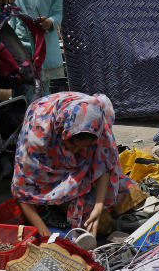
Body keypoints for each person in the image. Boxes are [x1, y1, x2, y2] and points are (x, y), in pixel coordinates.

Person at [11, 92, 136, 238]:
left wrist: (98, 206)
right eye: (72, 144)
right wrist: (43, 230)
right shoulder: (37, 138)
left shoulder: (96, 126)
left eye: (83, 148)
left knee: (131, 196)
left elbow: (104, 164)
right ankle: (54, 203)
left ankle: (73, 201)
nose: (75, 151)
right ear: (62, 131)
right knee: (101, 224)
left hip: (75, 136)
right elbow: (21, 190)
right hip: (50, 158)